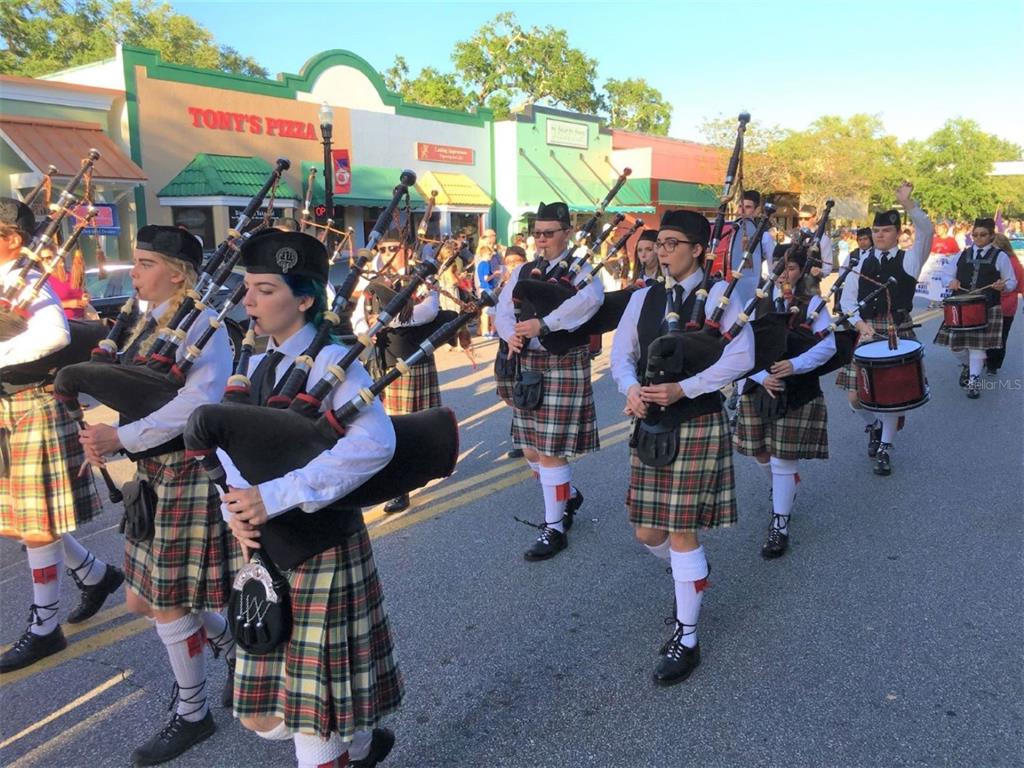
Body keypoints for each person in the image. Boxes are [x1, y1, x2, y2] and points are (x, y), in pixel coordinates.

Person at [219, 230, 401, 768]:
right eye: (247, 288)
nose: (249, 301)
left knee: (311, 719)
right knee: (262, 715)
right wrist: (233, 505)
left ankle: (345, 748)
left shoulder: (334, 362)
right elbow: (231, 445)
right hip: (264, 546)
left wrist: (276, 495)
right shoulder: (253, 362)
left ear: (304, 299)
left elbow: (375, 444)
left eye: (265, 289)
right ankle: (363, 744)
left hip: (320, 547)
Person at [78, 225, 237, 765]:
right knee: (145, 598)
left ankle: (193, 711)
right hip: (151, 477)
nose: (135, 271)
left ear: (177, 272)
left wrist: (119, 438)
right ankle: (228, 641)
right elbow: (131, 387)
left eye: (145, 262)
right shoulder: (144, 320)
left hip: (187, 474)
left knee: (166, 604)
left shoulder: (206, 329)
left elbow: (194, 407)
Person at [610, 209, 753, 685]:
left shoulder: (721, 297)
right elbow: (621, 355)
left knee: (683, 531)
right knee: (649, 535)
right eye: (660, 243)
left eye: (673, 243)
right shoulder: (645, 297)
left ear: (697, 249)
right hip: (651, 425)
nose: (663, 251)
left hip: (695, 420)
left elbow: (743, 356)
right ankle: (690, 575)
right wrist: (630, 388)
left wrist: (684, 389)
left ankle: (686, 638)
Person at [0, 198, 120, 675]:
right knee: (25, 517)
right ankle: (95, 573)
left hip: (35, 404)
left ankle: (45, 626)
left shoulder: (29, 280)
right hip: (10, 407)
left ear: (9, 238)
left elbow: (53, 336)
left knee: (36, 523)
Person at [495, 202, 597, 560]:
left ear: (566, 233)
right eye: (536, 233)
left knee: (552, 452)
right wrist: (511, 334)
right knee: (530, 448)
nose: (540, 240)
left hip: (563, 361)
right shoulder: (524, 268)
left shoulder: (583, 268)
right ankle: (567, 497)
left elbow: (590, 301)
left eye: (548, 233)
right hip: (529, 363)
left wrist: (544, 324)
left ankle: (554, 529)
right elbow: (503, 310)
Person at [733, 243, 834, 559]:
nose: (782, 274)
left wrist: (794, 365)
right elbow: (740, 346)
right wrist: (763, 376)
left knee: (781, 460)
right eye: (778, 267)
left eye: (790, 268)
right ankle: (783, 487)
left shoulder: (813, 303)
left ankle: (780, 523)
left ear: (802, 271)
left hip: (796, 390)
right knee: (761, 454)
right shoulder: (757, 302)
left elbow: (827, 346)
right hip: (759, 385)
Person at [836, 182, 933, 475]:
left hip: (897, 331)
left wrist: (909, 204)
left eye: (886, 230)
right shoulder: (861, 260)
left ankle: (885, 448)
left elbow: (927, 230)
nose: (880, 235)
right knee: (855, 397)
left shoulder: (911, 259)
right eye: (876, 231)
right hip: (868, 331)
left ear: (898, 233)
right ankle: (873, 425)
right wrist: (860, 324)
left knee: (893, 395)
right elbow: (847, 299)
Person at [353, 230, 442, 514]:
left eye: (395, 246)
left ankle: (428, 464)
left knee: (420, 422)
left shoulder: (423, 275)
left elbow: (430, 311)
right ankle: (401, 488)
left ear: (405, 247)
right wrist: (367, 329)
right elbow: (358, 318)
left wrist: (386, 322)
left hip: (415, 362)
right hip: (385, 363)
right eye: (385, 246)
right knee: (392, 426)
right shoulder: (372, 280)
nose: (390, 251)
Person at [933, 217, 1018, 398]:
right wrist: (951, 281)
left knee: (977, 347)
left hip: (987, 307)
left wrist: (1003, 286)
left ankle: (973, 381)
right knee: (956, 347)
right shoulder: (962, 254)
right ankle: (968, 365)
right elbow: (945, 276)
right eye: (975, 235)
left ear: (991, 236)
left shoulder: (1000, 256)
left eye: (983, 235)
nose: (978, 238)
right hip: (960, 306)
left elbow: (1012, 282)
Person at [499, 246, 527, 460]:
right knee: (508, 395)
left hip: (524, 346)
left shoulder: (530, 282)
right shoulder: (502, 287)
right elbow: (495, 315)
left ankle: (521, 438)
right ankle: (519, 430)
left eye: (517, 261)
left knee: (521, 394)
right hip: (504, 347)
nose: (513, 265)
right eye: (509, 261)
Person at [986, 234, 1024, 374]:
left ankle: (991, 363)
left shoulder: (1008, 262)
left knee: (995, 335)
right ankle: (992, 365)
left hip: (1001, 304)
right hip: (1002, 305)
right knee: (1000, 336)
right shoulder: (1015, 262)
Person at [474, 244, 500, 337]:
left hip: (482, 288)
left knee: (485, 310)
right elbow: (486, 278)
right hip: (487, 288)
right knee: (490, 310)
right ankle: (492, 329)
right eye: (489, 254)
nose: (491, 256)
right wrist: (494, 274)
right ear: (484, 254)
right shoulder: (485, 264)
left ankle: (485, 329)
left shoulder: (480, 264)